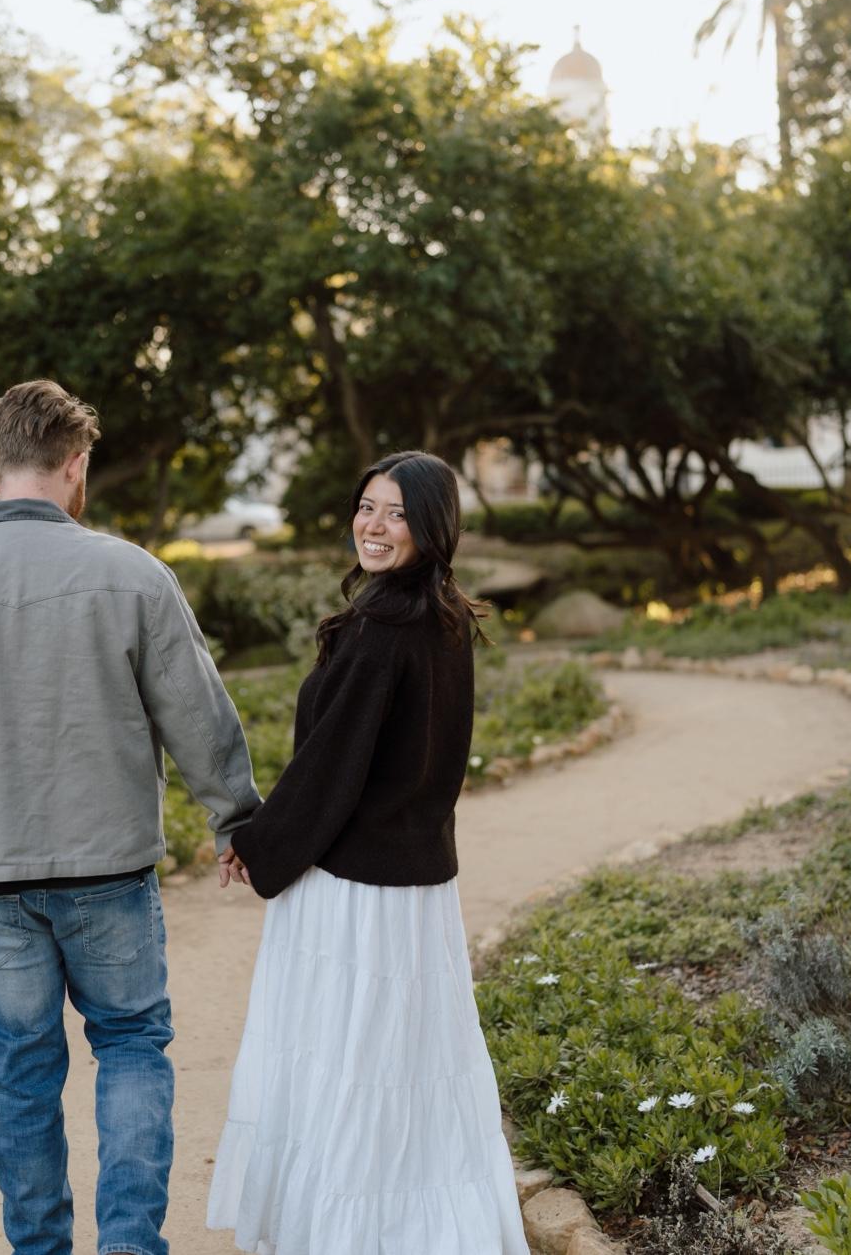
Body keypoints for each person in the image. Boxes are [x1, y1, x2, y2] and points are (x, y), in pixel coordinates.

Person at [0, 379, 262, 1255]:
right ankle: (129, 1246)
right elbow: (199, 715)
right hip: (108, 869)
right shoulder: (134, 575)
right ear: (77, 465)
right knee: (131, 1047)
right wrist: (237, 822)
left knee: (21, 1073)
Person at [208, 451, 530, 1254]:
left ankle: (352, 1234)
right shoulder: (442, 615)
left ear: (432, 527)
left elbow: (331, 767)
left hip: (355, 892)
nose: (374, 526)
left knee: (348, 1060)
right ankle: (411, 1227)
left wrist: (258, 846)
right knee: (401, 1062)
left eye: (397, 513)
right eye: (367, 507)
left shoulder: (381, 629)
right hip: (418, 890)